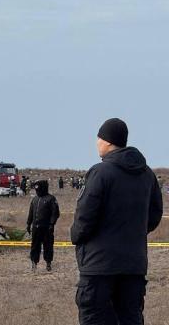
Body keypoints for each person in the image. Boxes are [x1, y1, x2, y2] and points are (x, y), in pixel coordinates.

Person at [71, 118, 163, 324]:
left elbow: (84, 215)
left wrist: (76, 236)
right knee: (129, 318)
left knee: (95, 317)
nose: (96, 143)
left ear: (108, 141)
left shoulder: (100, 172)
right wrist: (132, 232)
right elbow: (155, 213)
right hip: (134, 265)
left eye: (99, 138)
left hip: (99, 267)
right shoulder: (147, 174)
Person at [26, 180, 59, 272]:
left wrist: (52, 224)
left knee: (48, 246)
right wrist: (28, 224)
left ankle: (48, 263)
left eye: (39, 188)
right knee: (35, 246)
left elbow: (55, 213)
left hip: (47, 228)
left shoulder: (51, 199)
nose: (37, 191)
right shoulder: (35, 199)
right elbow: (31, 213)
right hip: (36, 228)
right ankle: (34, 263)